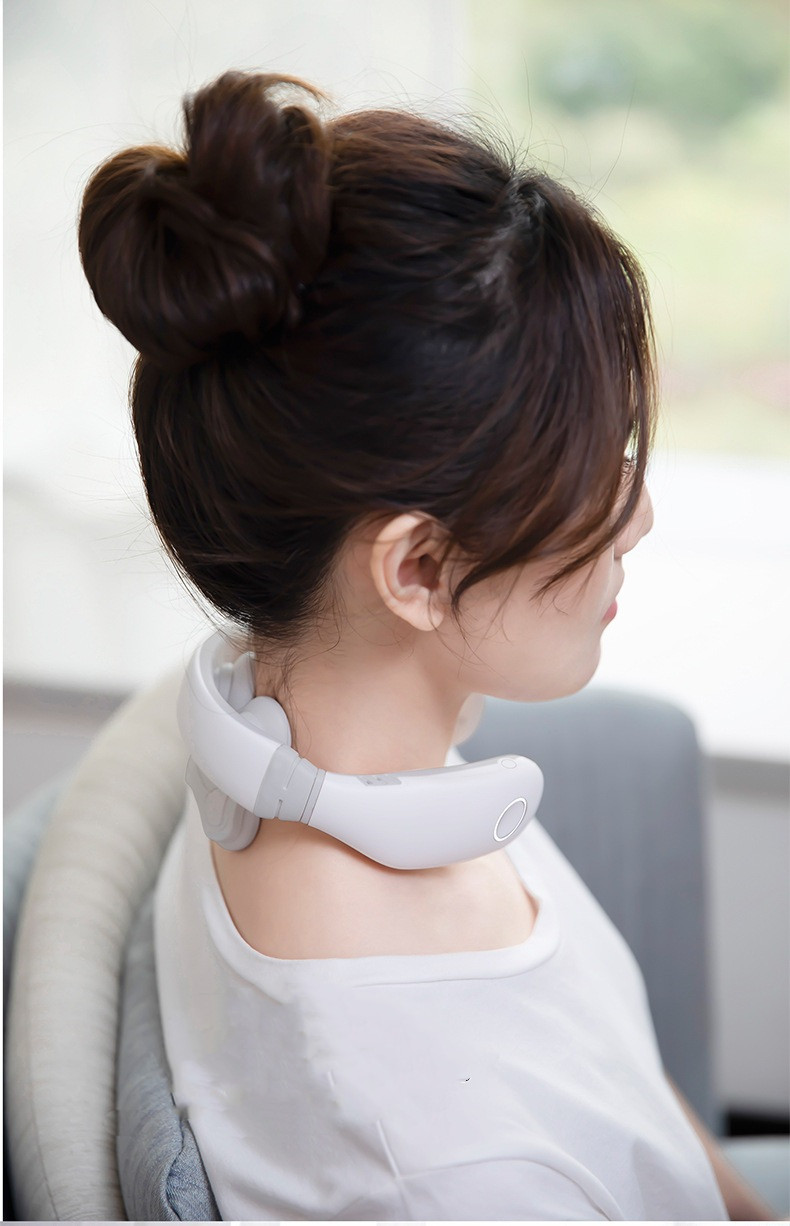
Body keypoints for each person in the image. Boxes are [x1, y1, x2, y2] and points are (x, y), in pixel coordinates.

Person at [78, 69, 776, 1221]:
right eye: (593, 470)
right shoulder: (444, 1175)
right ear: (415, 569)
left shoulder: (336, 755)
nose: (638, 515)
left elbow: (612, 1077)